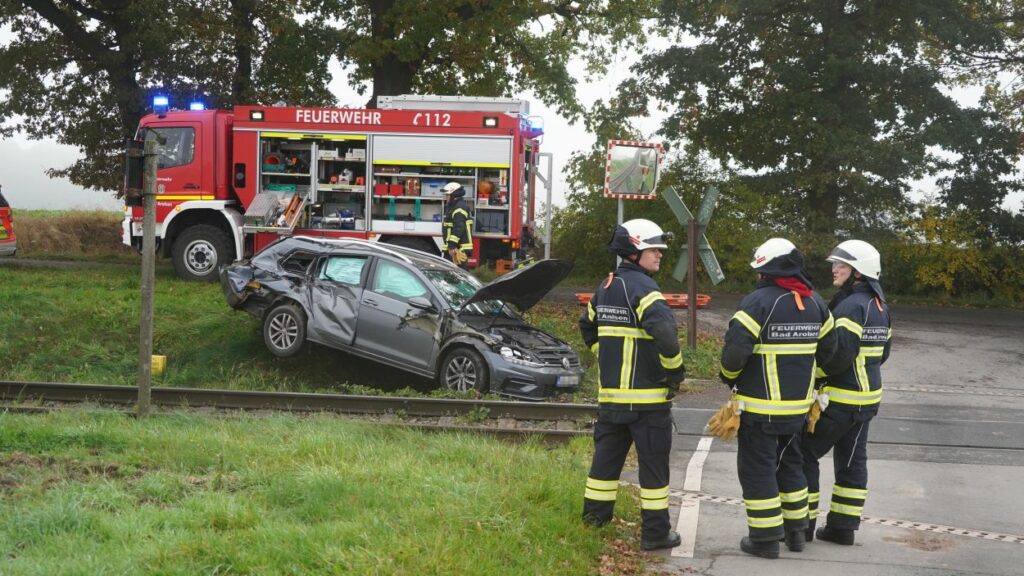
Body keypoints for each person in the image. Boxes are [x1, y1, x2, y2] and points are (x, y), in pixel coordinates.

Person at [719, 238, 837, 559]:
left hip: (759, 411)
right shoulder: (816, 303)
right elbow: (831, 351)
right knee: (791, 466)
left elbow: (735, 354)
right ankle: (796, 533)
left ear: (766, 270)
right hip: (798, 411)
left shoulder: (757, 303)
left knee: (757, 471)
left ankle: (764, 539)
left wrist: (728, 378)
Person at [579, 218, 687, 552]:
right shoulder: (646, 290)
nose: (660, 255)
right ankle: (655, 534)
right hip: (648, 403)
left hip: (612, 401)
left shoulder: (606, 286)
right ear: (634, 251)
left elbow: (587, 326)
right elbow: (666, 335)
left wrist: (605, 354)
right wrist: (675, 373)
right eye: (654, 249)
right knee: (653, 471)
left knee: (605, 464)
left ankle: (594, 523)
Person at [801, 240, 892, 546]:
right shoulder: (879, 306)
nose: (834, 269)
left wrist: (813, 377)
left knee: (803, 453)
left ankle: (802, 525)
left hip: (841, 399)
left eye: (841, 265)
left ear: (858, 271)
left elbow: (838, 355)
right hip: (867, 401)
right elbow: (883, 353)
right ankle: (842, 528)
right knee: (852, 462)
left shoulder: (851, 306)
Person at [441, 182, 473, 269]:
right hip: (456, 248)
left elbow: (458, 228)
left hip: (458, 249)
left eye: (447, 195)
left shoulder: (459, 208)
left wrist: (451, 246)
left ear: (453, 195)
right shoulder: (455, 207)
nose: (445, 198)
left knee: (457, 274)